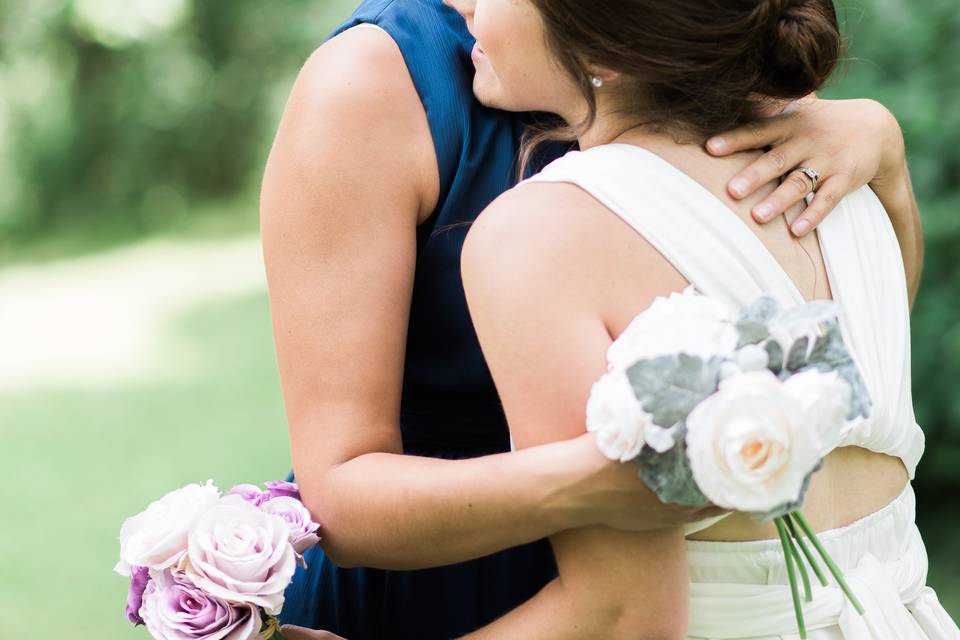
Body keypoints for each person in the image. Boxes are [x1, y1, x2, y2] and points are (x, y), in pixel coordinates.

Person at [262, 1, 929, 638]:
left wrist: (885, 154)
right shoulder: (381, 83)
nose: (467, 9)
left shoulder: (802, 143)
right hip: (437, 590)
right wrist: (601, 477)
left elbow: (626, 616)